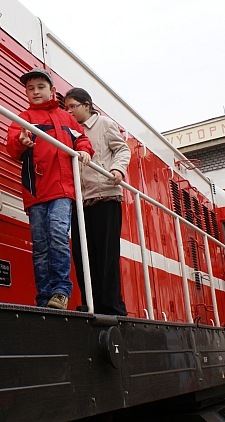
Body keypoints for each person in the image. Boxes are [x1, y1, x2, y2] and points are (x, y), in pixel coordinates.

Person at [6, 69, 94, 310]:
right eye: (30, 88)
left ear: (52, 91)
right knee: (41, 245)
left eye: (40, 87)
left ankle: (61, 290)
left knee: (56, 233)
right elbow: (13, 147)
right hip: (35, 191)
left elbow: (82, 139)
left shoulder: (67, 118)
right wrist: (21, 142)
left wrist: (85, 150)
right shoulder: (23, 117)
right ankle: (45, 297)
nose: (35, 92)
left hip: (62, 189)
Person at [64, 88, 131, 316]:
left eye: (73, 106)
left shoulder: (104, 124)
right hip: (80, 201)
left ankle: (112, 307)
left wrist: (117, 169)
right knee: (83, 256)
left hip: (105, 195)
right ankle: (91, 304)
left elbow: (122, 149)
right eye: (66, 107)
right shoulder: (71, 130)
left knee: (106, 256)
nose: (69, 111)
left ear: (87, 105)